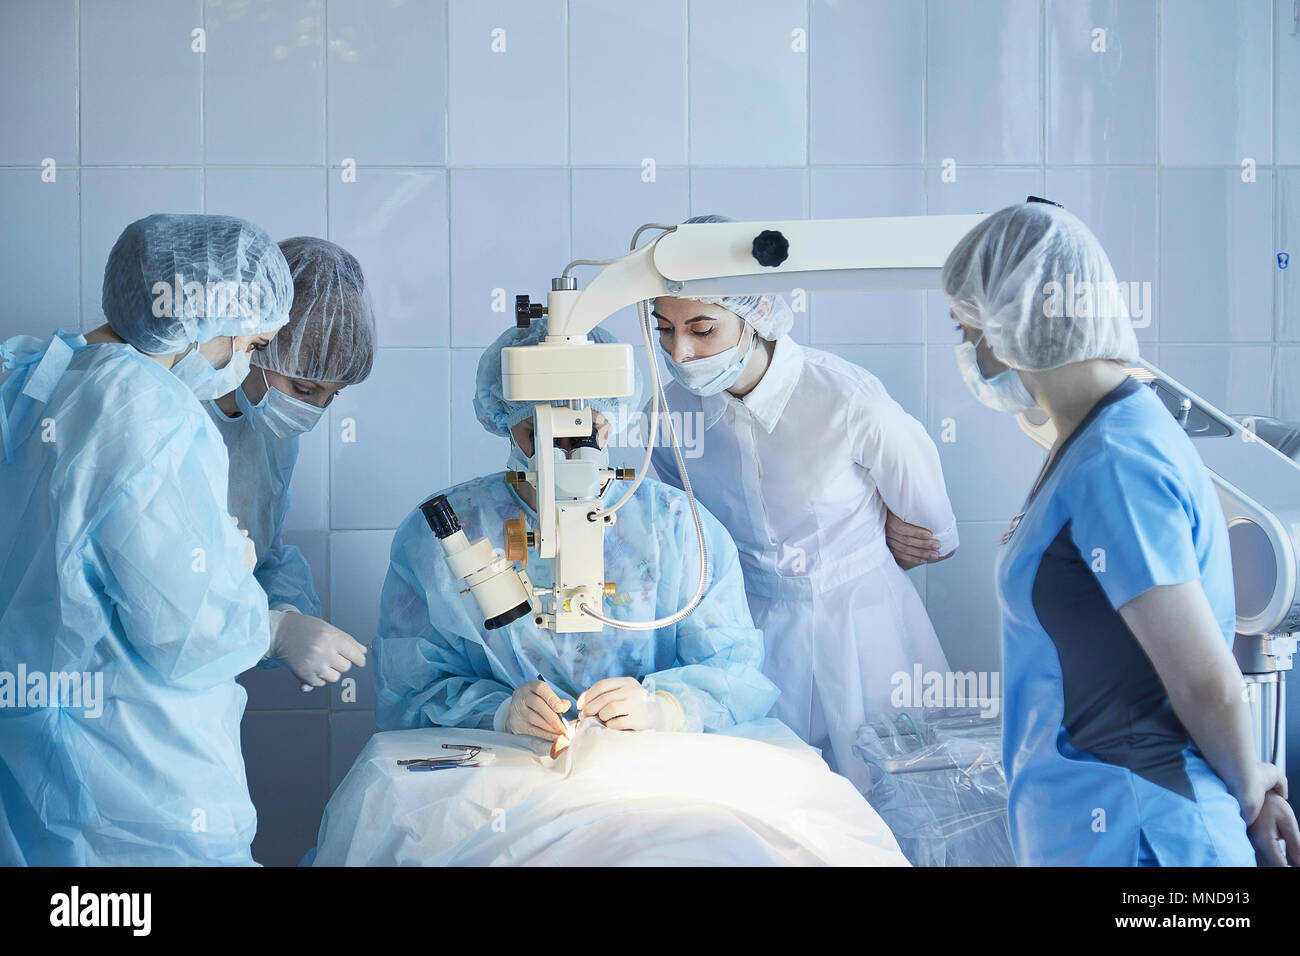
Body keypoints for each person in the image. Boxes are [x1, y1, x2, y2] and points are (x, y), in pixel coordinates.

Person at [942, 200, 1300, 866]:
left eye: (965, 326)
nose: (965, 350)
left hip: (1145, 839)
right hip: (1097, 827)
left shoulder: (1115, 463)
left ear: (1012, 321)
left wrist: (1251, 785)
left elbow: (1203, 680)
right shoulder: (1089, 441)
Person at [0, 213, 291, 865]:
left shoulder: (27, 375)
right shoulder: (147, 409)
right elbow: (191, 637)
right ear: (204, 322)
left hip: (34, 782)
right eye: (249, 344)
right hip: (140, 795)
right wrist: (254, 604)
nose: (242, 363)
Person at [647, 215, 959, 790]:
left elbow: (931, 531)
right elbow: (674, 522)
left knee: (900, 802)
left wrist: (887, 529)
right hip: (747, 634)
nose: (681, 352)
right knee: (773, 805)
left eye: (702, 328)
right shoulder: (666, 414)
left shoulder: (846, 398)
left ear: (754, 318)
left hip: (865, 627)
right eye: (663, 328)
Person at [373, 319, 779, 741]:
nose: (562, 455)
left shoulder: (677, 527)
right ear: (505, 420)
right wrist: (499, 715)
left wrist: (666, 708)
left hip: (644, 762)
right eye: (540, 433)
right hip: (502, 762)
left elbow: (734, 673)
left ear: (611, 418)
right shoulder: (442, 534)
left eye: (583, 432)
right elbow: (410, 688)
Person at [208, 237, 374, 692]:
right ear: (257, 343)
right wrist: (271, 632)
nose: (314, 410)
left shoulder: (270, 436)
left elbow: (265, 554)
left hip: (202, 688)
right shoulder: (171, 419)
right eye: (304, 390)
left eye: (331, 396)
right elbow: (157, 586)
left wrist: (287, 614)